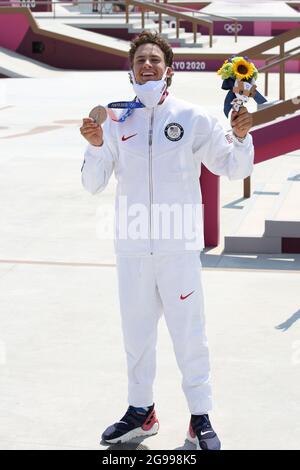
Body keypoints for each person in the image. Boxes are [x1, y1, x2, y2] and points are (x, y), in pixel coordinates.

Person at [80, 31, 253, 451]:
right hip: (133, 248)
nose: (148, 65)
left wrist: (243, 136)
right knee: (136, 336)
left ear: (169, 69)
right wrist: (96, 146)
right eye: (141, 59)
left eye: (155, 59)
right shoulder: (117, 120)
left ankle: (200, 417)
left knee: (190, 335)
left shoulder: (194, 117)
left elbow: (231, 166)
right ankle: (141, 413)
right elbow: (92, 183)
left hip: (178, 248)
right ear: (131, 70)